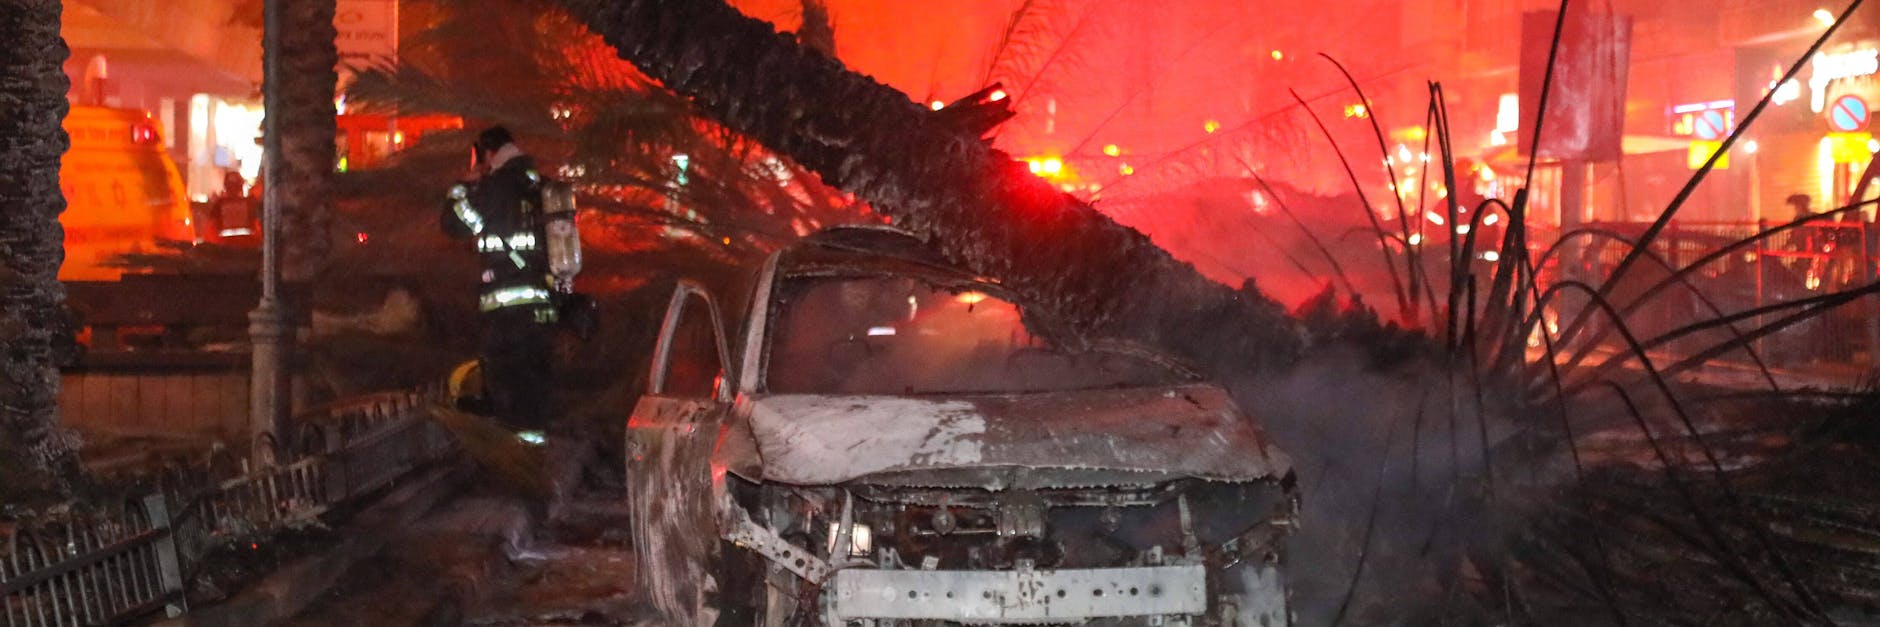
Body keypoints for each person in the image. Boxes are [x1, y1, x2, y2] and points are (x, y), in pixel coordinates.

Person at [442, 126, 557, 439]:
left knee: (509, 387)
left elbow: (454, 225)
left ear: (487, 153)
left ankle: (517, 458)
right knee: (535, 389)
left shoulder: (494, 188)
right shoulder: (539, 185)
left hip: (506, 312)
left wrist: (460, 187)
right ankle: (536, 453)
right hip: (542, 307)